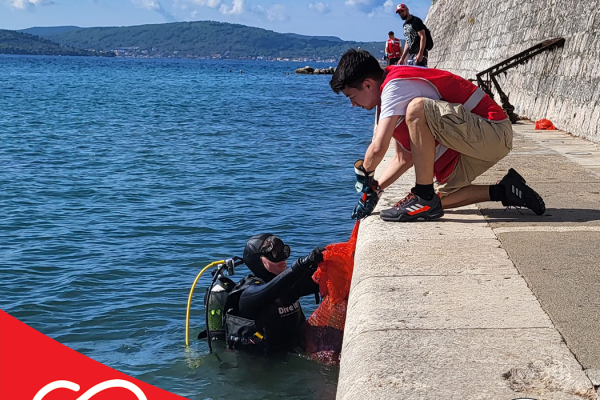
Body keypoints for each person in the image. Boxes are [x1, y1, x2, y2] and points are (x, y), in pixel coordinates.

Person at [329, 49, 546, 222]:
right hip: (475, 143)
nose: (353, 104)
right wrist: (375, 190)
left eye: (352, 96)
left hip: (493, 130)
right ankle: (505, 191)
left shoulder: (395, 85)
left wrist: (364, 173)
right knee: (441, 198)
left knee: (417, 109)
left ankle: (422, 195)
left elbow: (377, 148)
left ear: (367, 84)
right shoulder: (389, 100)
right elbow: (404, 158)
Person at [224, 234, 324, 353]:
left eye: (283, 252)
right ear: (258, 260)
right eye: (274, 254)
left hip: (292, 351)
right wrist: (302, 264)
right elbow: (273, 290)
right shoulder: (249, 294)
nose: (282, 259)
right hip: (261, 364)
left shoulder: (289, 284)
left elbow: (314, 282)